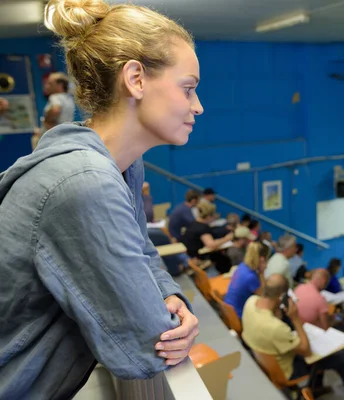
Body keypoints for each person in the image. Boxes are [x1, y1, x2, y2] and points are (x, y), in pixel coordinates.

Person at [0, 0, 202, 397]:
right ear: (136, 79)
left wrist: (170, 293)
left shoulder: (119, 163)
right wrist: (174, 321)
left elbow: (141, 249)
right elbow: (146, 346)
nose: (197, 105)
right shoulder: (84, 182)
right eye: (188, 88)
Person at [241, 274, 344, 400]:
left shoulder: (251, 302)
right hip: (286, 369)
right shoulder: (276, 328)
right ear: (281, 296)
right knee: (343, 358)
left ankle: (316, 386)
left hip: (265, 356)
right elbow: (306, 350)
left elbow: (274, 323)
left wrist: (279, 312)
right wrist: (296, 318)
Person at [181, 201, 234, 273]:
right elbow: (211, 245)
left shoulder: (193, 224)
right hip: (199, 259)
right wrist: (227, 238)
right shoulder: (203, 229)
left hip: (190, 256)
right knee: (224, 260)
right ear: (209, 216)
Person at [32, 71, 76, 150]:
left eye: (50, 84)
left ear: (60, 85)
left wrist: (46, 120)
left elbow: (55, 110)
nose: (46, 86)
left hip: (51, 141)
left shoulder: (55, 97)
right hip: (64, 137)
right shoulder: (69, 99)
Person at [224, 241, 269, 318]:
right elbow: (264, 296)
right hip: (238, 315)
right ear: (262, 259)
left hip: (228, 307)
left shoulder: (242, 266)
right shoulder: (251, 277)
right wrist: (262, 272)